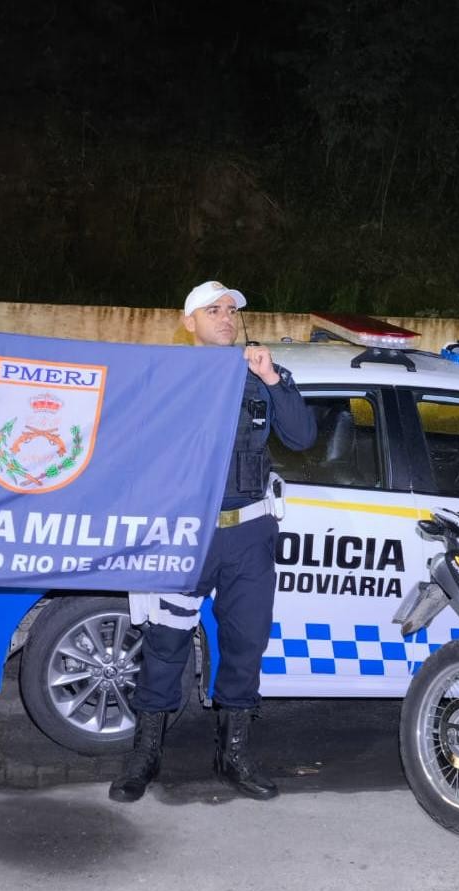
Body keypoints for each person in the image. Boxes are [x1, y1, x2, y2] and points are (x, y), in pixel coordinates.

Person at [110, 280, 316, 803]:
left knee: (246, 646)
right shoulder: (165, 378)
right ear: (189, 322)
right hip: (187, 536)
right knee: (165, 643)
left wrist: (272, 376)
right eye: (213, 309)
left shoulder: (259, 374)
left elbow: (302, 437)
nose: (226, 317)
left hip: (248, 535)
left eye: (231, 310)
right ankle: (144, 757)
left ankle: (234, 756)